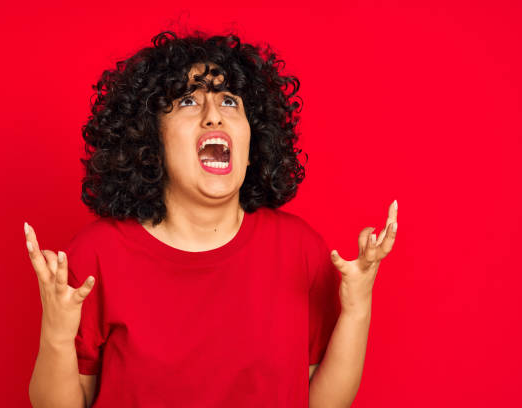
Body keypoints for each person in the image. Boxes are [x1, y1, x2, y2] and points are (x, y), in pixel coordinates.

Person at [27, 30, 398, 408]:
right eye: (188, 100)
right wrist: (56, 332)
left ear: (253, 142)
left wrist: (357, 307)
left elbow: (323, 403)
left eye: (229, 101)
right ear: (150, 142)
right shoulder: (97, 254)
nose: (213, 115)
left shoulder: (299, 248)